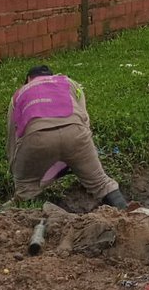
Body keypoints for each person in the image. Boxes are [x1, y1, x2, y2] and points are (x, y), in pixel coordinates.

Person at [7, 66, 127, 209]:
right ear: (52, 75)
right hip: (76, 133)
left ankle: (36, 219)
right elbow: (84, 119)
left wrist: (16, 169)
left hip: (36, 139)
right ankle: (127, 216)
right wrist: (81, 154)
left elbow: (13, 136)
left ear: (28, 80)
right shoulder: (68, 82)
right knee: (101, 182)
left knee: (26, 186)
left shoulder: (19, 94)